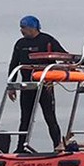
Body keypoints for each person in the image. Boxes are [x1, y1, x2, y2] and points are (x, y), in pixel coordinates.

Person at [7, 16, 71, 152]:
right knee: (25, 118)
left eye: (23, 28)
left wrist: (76, 63)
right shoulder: (20, 44)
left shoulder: (47, 40)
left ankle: (57, 145)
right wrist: (11, 86)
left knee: (50, 116)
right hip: (27, 85)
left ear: (32, 28)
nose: (21, 31)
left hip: (45, 85)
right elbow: (13, 64)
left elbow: (63, 55)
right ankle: (20, 148)